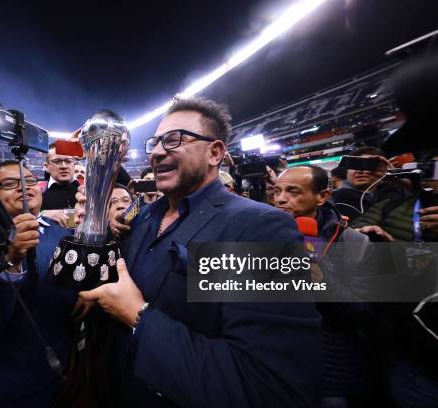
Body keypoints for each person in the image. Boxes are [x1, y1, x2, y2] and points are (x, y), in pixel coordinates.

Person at [76, 96, 322, 407]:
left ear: (215, 152)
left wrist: (138, 317)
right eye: (155, 142)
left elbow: (268, 385)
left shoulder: (262, 228)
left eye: (174, 139)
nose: (157, 151)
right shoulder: (141, 218)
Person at [0, 159, 76, 408]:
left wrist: (88, 292)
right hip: (5, 388)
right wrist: (11, 260)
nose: (23, 187)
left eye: (29, 181)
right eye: (10, 183)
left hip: (62, 381)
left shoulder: (63, 233)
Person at [274, 165, 377, 407]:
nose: (280, 199)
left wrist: (319, 281)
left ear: (322, 196)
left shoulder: (353, 242)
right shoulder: (260, 231)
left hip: (328, 366)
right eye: (277, 191)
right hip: (273, 355)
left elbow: (364, 312)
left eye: (293, 192)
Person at [330, 146, 410, 222]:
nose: (360, 171)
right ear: (346, 171)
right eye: (354, 165)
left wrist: (394, 176)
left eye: (367, 165)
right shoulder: (332, 201)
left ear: (381, 169)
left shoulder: (399, 191)